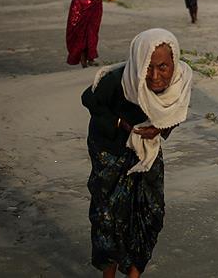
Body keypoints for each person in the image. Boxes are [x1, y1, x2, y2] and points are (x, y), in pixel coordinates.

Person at [82, 28, 192, 277]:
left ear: (174, 62)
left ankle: (134, 274)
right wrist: (121, 124)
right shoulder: (119, 80)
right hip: (108, 149)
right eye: (148, 67)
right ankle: (108, 274)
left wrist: (159, 129)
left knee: (150, 210)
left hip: (146, 150)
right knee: (108, 215)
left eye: (163, 67)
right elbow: (89, 100)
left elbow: (175, 113)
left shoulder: (180, 81)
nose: (155, 76)